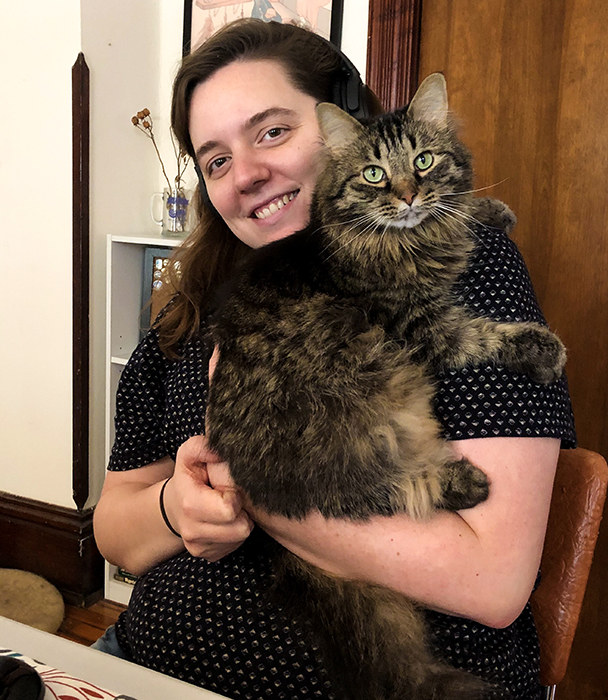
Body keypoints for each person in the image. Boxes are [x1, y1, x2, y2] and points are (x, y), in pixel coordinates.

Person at [93, 18, 576, 700]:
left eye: (272, 131)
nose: (248, 174)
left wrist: (256, 487)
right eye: (217, 159)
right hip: (134, 665)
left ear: (346, 129)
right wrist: (175, 507)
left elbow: (492, 580)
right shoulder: (190, 315)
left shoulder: (459, 265)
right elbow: (115, 524)